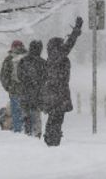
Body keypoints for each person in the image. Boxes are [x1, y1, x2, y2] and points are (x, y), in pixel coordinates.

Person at [41, 17, 83, 146]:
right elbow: (69, 45)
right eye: (61, 44)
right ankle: (53, 141)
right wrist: (76, 31)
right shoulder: (57, 56)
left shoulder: (52, 58)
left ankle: (51, 138)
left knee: (54, 118)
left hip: (53, 93)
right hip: (58, 94)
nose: (64, 45)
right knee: (56, 119)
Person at [18, 40, 46, 138]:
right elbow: (45, 78)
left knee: (26, 114)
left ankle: (27, 132)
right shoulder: (43, 62)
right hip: (38, 94)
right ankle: (37, 133)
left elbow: (19, 76)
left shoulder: (23, 61)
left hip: (25, 92)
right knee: (37, 115)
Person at [0, 40, 28, 133]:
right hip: (27, 91)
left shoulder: (9, 59)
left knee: (16, 112)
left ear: (12, 48)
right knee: (28, 112)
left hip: (14, 91)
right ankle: (28, 131)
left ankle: (17, 131)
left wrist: (8, 87)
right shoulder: (28, 58)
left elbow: (3, 76)